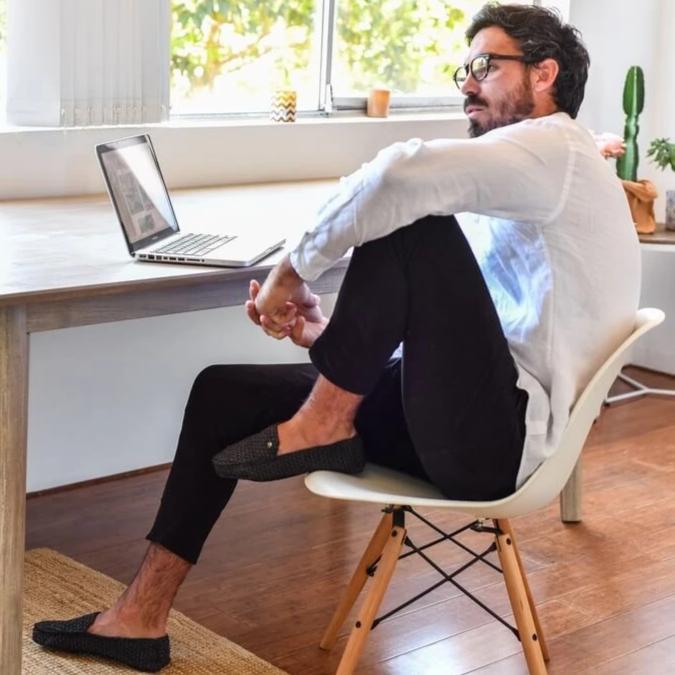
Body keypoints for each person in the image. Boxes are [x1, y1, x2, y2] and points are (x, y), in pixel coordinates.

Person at [32, 4, 640, 672]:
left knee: (413, 220)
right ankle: (138, 618)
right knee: (221, 391)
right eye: (461, 68)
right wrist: (331, 336)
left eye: (482, 66)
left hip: (497, 444)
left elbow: (396, 175)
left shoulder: (556, 149)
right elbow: (458, 326)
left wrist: (288, 273)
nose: (464, 82)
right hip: (462, 414)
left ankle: (325, 418)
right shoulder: (524, 170)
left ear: (543, 73)